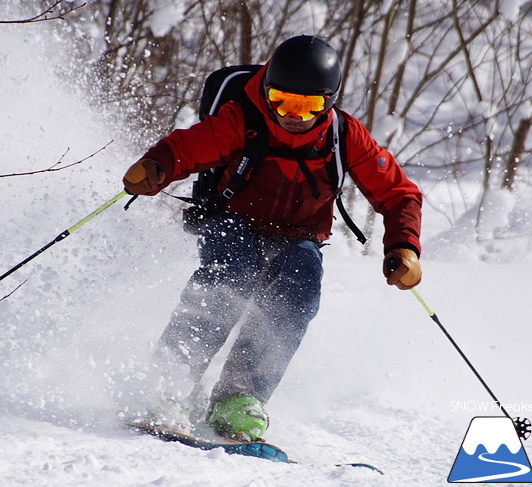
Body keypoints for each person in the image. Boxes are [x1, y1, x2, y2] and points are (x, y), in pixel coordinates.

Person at [122, 35, 422, 441]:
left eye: (309, 105)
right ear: (266, 91)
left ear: (329, 101)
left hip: (298, 236)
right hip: (232, 219)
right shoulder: (242, 120)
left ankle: (239, 397)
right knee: (233, 272)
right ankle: (169, 383)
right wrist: (157, 165)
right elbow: (189, 145)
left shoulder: (345, 136)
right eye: (282, 100)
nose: (294, 115)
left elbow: (399, 193)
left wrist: (404, 246)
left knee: (300, 289)